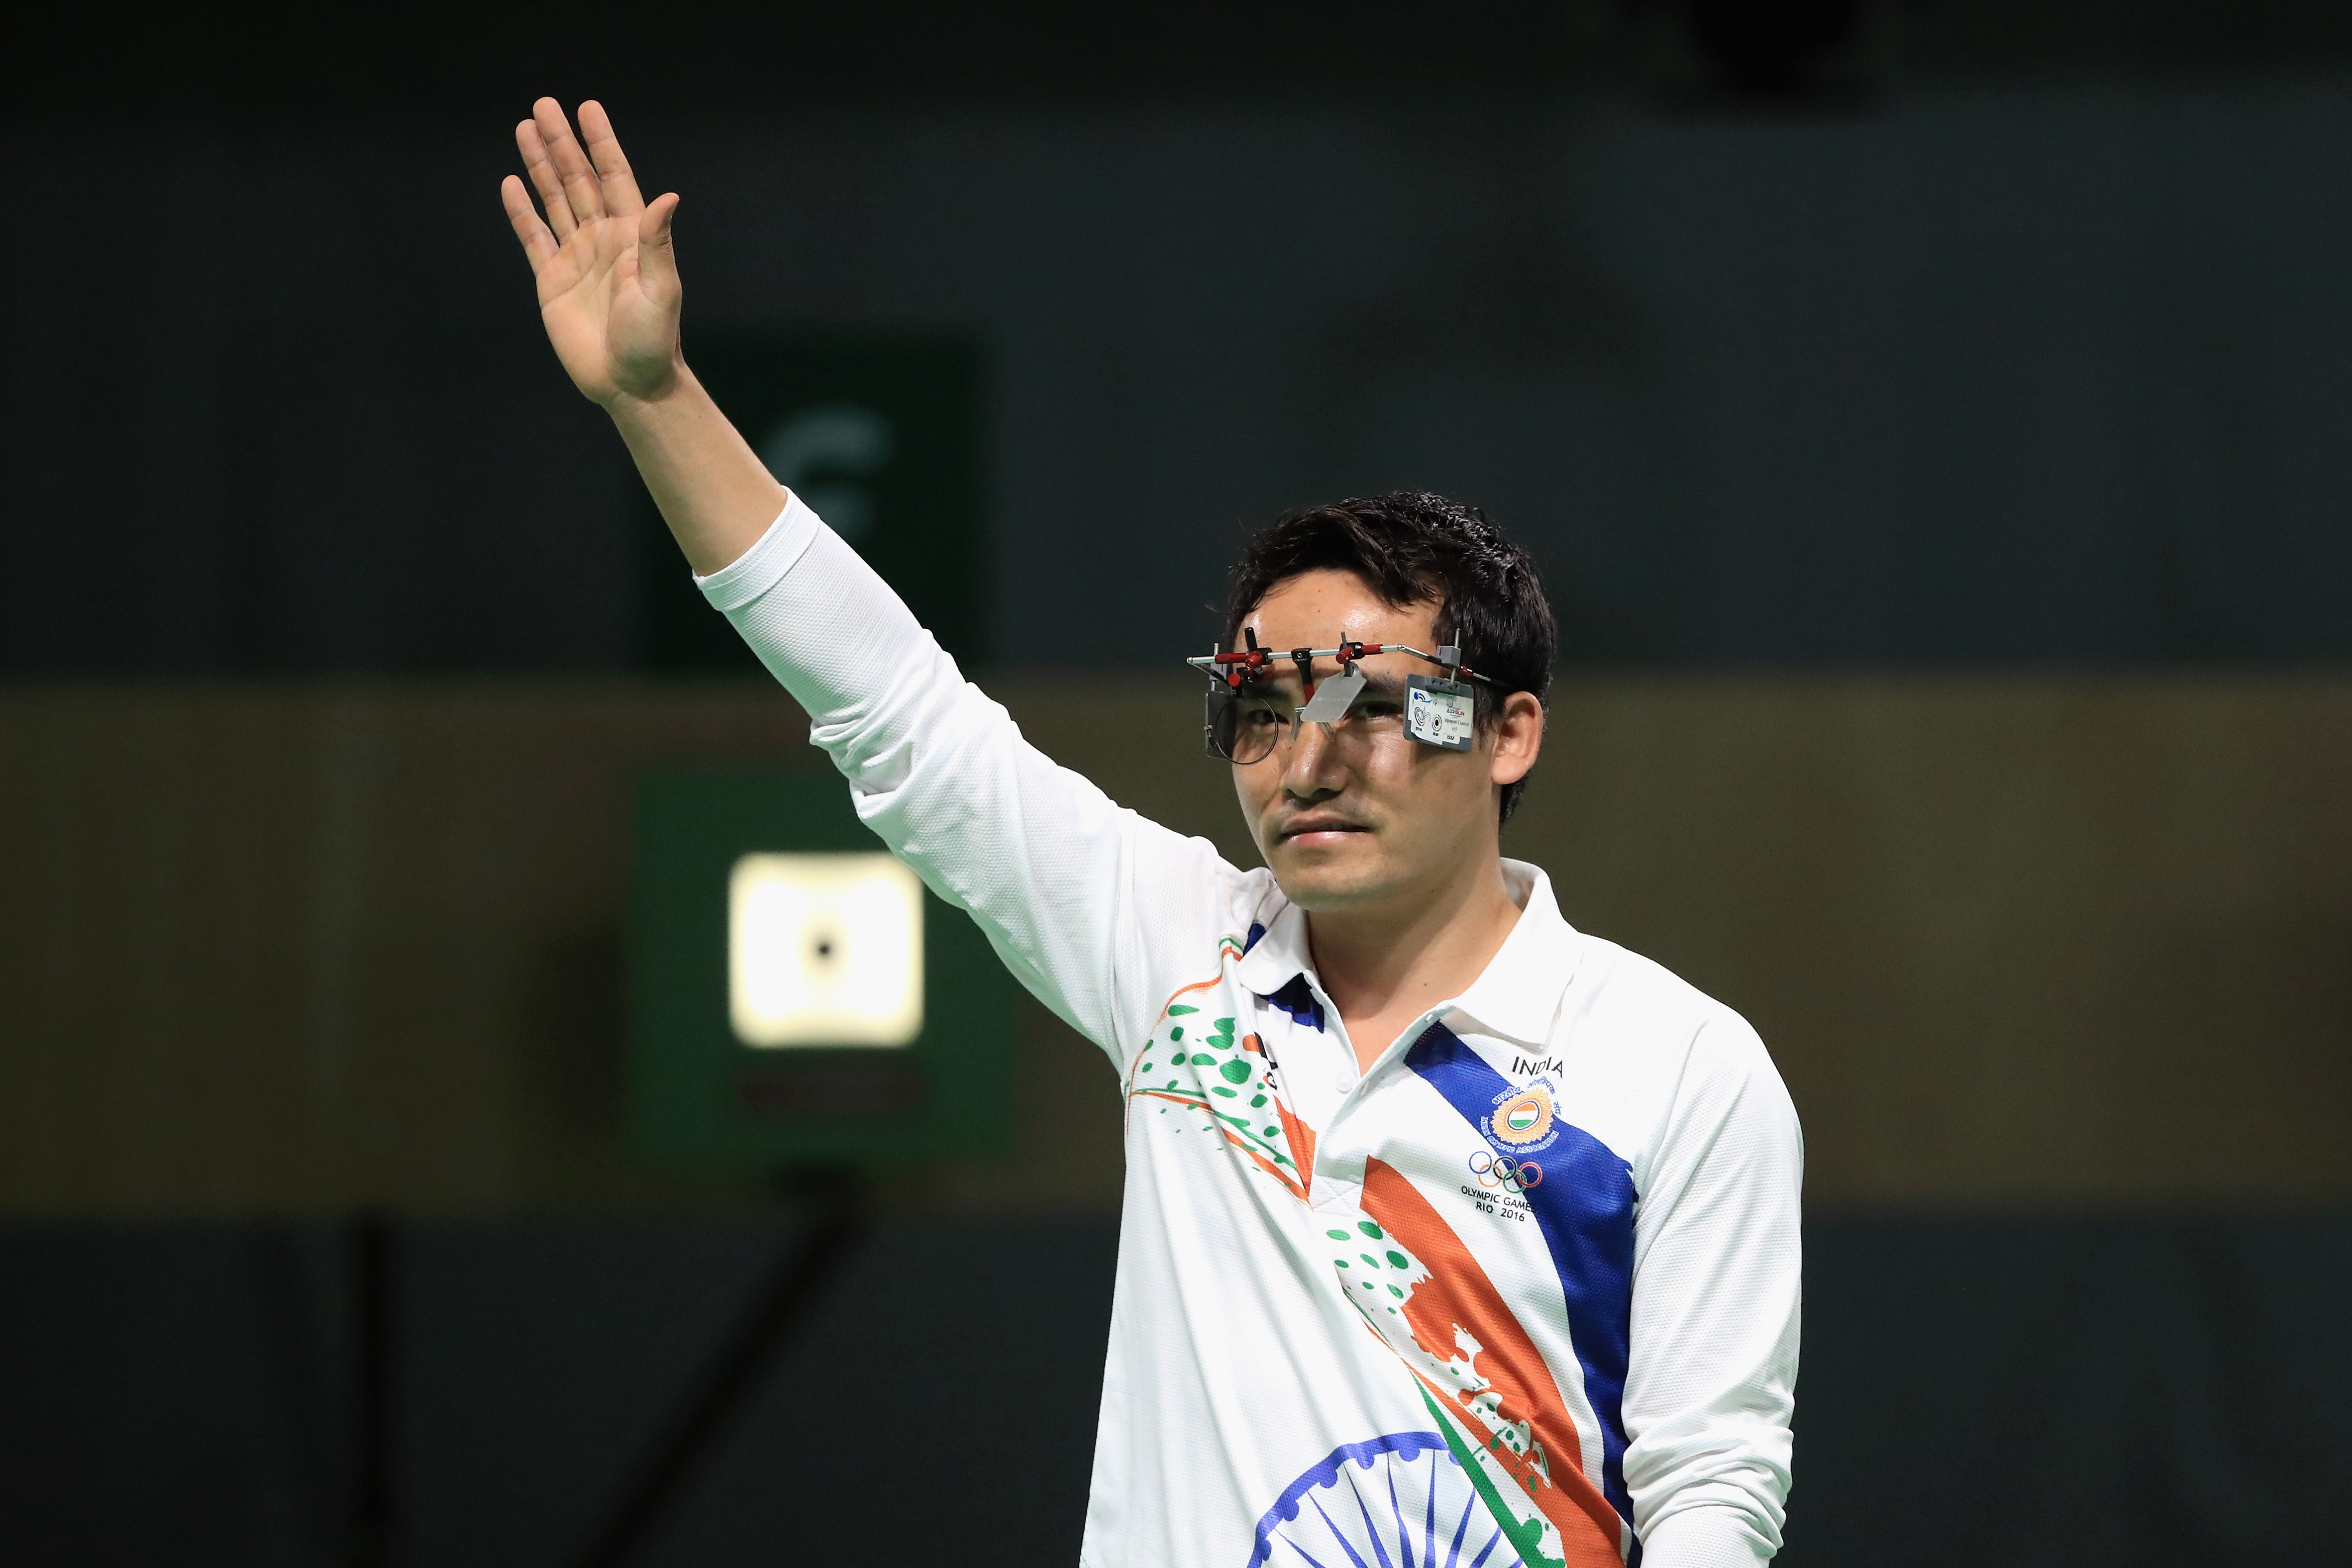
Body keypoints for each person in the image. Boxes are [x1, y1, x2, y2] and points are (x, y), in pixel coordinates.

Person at [501, 98, 1801, 1568]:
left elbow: (1712, 1484)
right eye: (1258, 706)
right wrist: (654, 399)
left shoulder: (1680, 1067)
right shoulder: (1181, 956)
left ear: (1508, 730)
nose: (1305, 757)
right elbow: (899, 712)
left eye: (1373, 704)